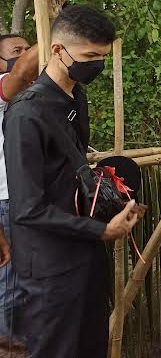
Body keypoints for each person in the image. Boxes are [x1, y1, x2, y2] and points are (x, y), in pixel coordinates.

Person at [4, 5, 144, 358]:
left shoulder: (76, 95)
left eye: (102, 56)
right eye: (89, 56)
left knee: (91, 346)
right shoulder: (26, 113)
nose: (96, 64)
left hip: (85, 254)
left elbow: (72, 176)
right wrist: (100, 230)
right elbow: (27, 209)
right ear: (57, 50)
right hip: (49, 266)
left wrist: (109, 208)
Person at [0, 35, 37, 347]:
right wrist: (58, 31)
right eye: (16, 51)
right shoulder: (3, 86)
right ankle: (11, 345)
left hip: (26, 195)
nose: (25, 54)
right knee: (11, 281)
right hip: (6, 199)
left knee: (29, 278)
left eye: (28, 48)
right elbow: (22, 73)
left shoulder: (32, 95)